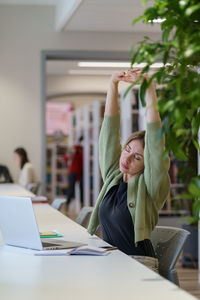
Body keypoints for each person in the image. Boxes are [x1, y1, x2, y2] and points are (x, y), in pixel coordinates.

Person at [87, 69, 170, 272]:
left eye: (138, 157)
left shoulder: (150, 186)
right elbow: (109, 132)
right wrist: (113, 84)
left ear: (146, 164)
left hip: (139, 263)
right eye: (127, 149)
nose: (128, 158)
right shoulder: (113, 177)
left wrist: (149, 89)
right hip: (112, 261)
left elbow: (155, 147)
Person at [64, 136, 83, 207]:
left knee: (81, 188)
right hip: (74, 171)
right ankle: (67, 203)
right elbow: (65, 158)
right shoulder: (75, 148)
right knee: (71, 188)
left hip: (80, 172)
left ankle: (82, 203)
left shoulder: (83, 149)